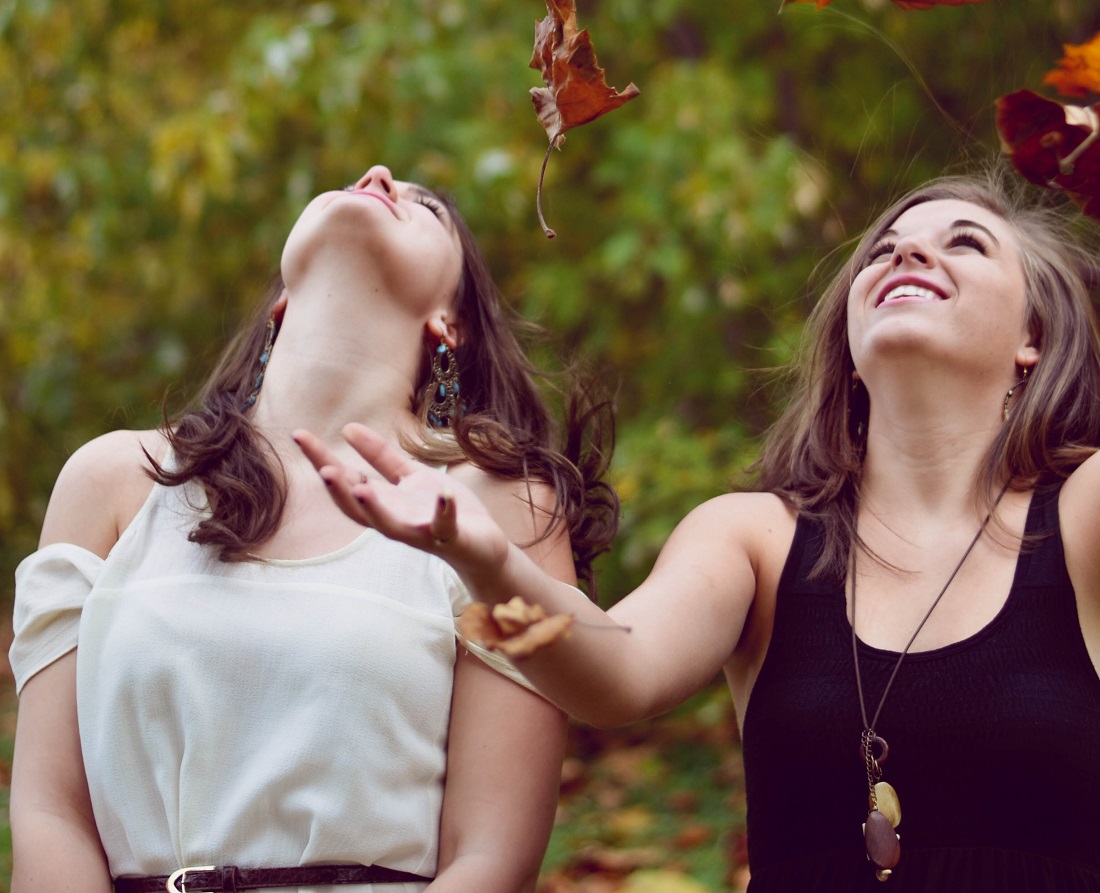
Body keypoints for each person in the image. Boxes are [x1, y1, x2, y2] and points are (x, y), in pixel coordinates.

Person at [296, 170, 1100, 892]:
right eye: (882, 252)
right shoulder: (752, 537)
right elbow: (615, 671)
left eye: (965, 243)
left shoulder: (1084, 512)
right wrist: (485, 557)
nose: (908, 257)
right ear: (850, 349)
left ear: (1034, 334)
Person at [9, 164, 618, 893]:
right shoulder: (111, 482)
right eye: (361, 179)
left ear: (448, 321)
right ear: (280, 300)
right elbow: (48, 813)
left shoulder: (499, 511)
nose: (380, 175)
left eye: (425, 206)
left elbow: (491, 854)